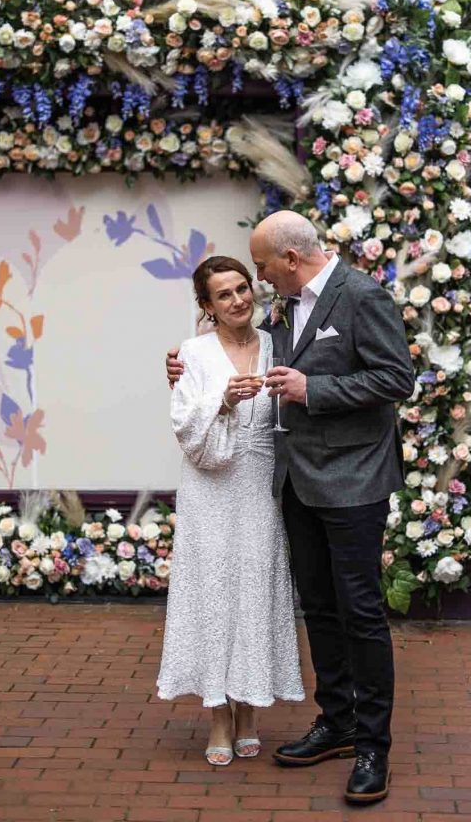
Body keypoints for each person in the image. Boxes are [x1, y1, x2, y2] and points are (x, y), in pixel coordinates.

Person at [167, 211, 415, 804]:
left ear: (291, 261)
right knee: (322, 610)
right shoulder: (283, 308)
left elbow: (397, 378)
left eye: (259, 269)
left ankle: (373, 746)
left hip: (354, 480)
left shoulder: (362, 295)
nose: (255, 282)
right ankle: (338, 721)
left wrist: (315, 390)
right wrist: (181, 367)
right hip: (294, 483)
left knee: (360, 612)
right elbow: (233, 353)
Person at [157, 254, 304, 767]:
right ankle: (218, 713)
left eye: (243, 288)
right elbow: (183, 429)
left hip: (261, 486)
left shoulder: (277, 344)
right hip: (210, 489)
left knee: (254, 592)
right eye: (224, 294)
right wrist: (220, 401)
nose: (239, 299)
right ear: (207, 306)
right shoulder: (192, 356)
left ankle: (249, 709)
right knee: (214, 594)